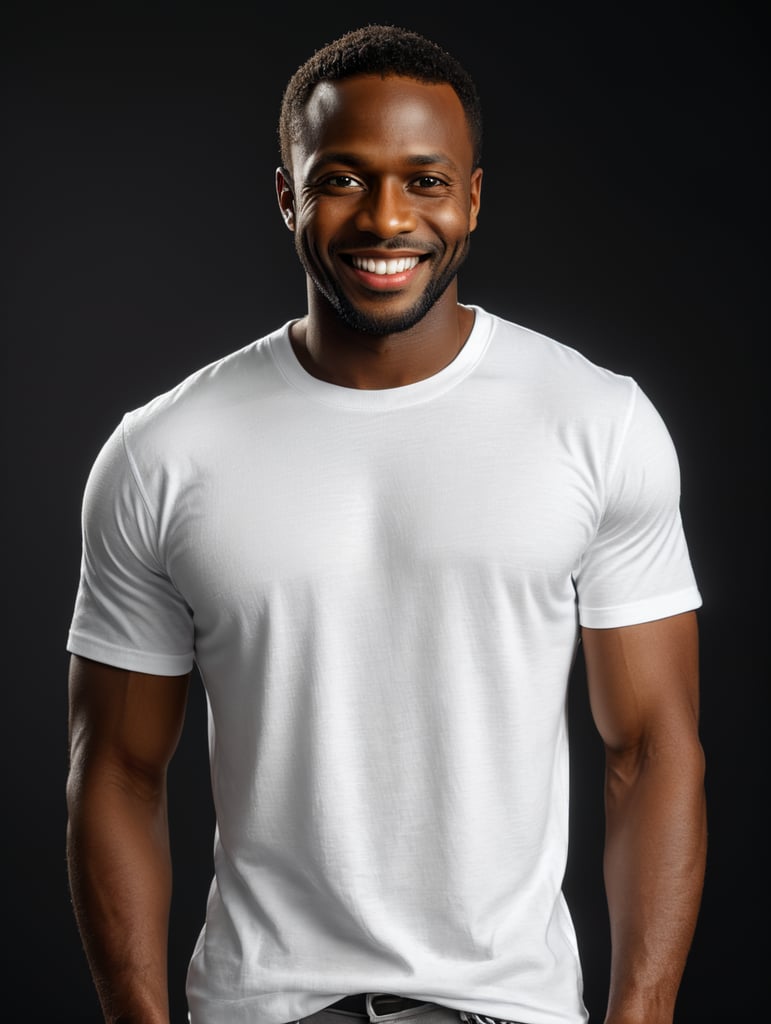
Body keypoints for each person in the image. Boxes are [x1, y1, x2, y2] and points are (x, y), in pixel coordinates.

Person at [65, 23, 707, 1024]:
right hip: (264, 1007)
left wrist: (643, 1012)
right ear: (287, 197)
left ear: (473, 198)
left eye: (425, 181)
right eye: (341, 180)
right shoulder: (163, 452)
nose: (386, 218)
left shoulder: (595, 422)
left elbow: (654, 748)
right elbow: (115, 771)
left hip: (510, 1008)